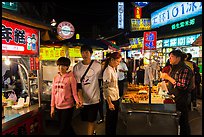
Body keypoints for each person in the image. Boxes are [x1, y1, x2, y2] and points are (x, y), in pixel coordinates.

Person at [161, 49, 193, 135]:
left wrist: (168, 78)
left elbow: (182, 86)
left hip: (181, 100)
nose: (169, 59)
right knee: (174, 123)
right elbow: (174, 82)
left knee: (183, 123)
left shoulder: (185, 69)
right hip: (174, 99)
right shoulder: (174, 68)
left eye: (171, 57)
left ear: (178, 58)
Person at [73, 45, 102, 135]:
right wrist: (79, 99)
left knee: (91, 120)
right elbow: (78, 85)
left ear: (91, 53)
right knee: (86, 120)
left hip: (95, 98)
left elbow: (101, 81)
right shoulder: (77, 67)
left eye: (87, 52)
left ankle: (91, 132)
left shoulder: (98, 66)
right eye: (83, 52)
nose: (84, 54)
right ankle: (93, 130)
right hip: (83, 100)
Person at [50, 57, 82, 135]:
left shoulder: (71, 78)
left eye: (63, 66)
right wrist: (52, 107)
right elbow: (53, 93)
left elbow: (74, 93)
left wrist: (78, 101)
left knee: (62, 129)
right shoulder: (55, 78)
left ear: (67, 67)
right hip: (58, 106)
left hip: (68, 107)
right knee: (66, 127)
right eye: (59, 65)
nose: (61, 68)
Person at [102, 52, 122, 135]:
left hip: (115, 97)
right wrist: (109, 103)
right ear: (112, 60)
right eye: (117, 61)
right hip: (111, 99)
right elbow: (105, 88)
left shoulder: (113, 69)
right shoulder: (107, 71)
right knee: (110, 121)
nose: (118, 63)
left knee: (114, 120)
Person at [97, 53, 111, 124]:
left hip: (102, 88)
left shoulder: (108, 69)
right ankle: (103, 117)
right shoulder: (106, 68)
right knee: (101, 103)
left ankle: (103, 117)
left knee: (102, 103)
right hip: (101, 88)